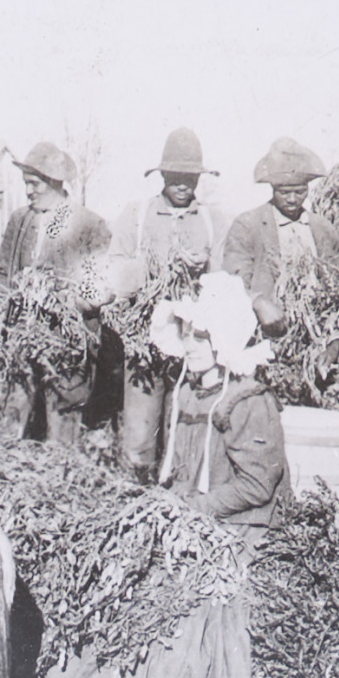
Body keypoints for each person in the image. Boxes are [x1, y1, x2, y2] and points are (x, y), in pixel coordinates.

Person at [45, 270, 282, 678]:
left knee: (195, 611)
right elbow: (179, 470)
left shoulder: (248, 401)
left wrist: (199, 508)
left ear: (225, 341)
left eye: (202, 336)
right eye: (190, 336)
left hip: (242, 528)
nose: (191, 346)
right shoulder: (191, 391)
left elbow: (258, 486)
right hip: (196, 520)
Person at [106, 128, 227, 479]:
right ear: (162, 176)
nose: (182, 184)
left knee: (185, 434)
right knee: (139, 439)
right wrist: (154, 270)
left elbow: (225, 285)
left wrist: (203, 268)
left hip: (194, 350)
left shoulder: (212, 220)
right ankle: (135, 506)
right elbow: (115, 271)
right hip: (144, 346)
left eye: (189, 177)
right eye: (174, 176)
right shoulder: (137, 215)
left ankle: (178, 509)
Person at [0, 141, 112, 447]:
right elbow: (2, 273)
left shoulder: (87, 223)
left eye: (34, 184)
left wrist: (59, 297)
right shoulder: (21, 220)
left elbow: (98, 287)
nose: (29, 191)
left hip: (66, 343)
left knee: (63, 421)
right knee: (13, 413)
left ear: (54, 183)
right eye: (26, 184)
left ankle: (58, 476)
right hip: (22, 336)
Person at [224, 137, 339, 335]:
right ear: (273, 189)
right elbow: (232, 281)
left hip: (316, 330)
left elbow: (337, 278)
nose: (292, 199)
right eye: (284, 192)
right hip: (265, 331)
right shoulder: (248, 225)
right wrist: (258, 301)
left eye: (299, 192)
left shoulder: (323, 229)